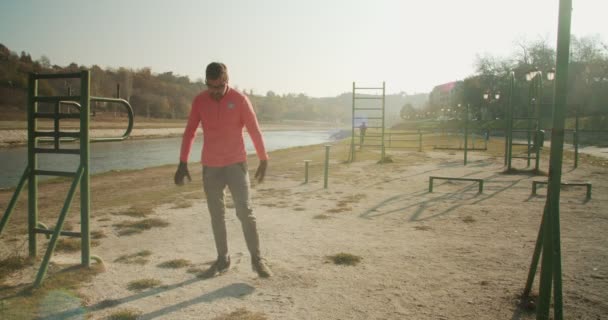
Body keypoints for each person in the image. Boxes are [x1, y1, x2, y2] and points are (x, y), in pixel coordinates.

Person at [174, 62, 271, 278]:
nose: (214, 92)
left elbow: (254, 130)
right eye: (210, 86)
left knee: (245, 212)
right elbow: (190, 131)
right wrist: (183, 162)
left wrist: (264, 159)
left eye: (218, 87)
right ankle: (222, 260)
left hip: (236, 164)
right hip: (211, 167)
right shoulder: (200, 100)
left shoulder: (240, 100)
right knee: (216, 216)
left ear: (226, 81)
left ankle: (257, 260)